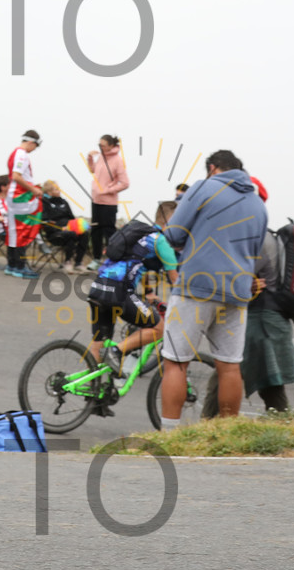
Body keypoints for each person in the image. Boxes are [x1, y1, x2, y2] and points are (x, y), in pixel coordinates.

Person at [157, 149, 268, 426]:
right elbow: (256, 252)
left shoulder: (204, 187)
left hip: (197, 286)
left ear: (212, 168)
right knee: (229, 366)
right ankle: (228, 432)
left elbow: (174, 233)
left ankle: (169, 434)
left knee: (176, 362)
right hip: (237, 291)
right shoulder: (258, 204)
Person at [203, 225, 294, 416]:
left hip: (261, 320)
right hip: (269, 318)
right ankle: (284, 422)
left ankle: (207, 422)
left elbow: (234, 279)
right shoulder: (265, 236)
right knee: (270, 381)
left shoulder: (258, 240)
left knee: (226, 369)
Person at [90, 204, 180, 387]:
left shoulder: (138, 235)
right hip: (119, 292)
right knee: (159, 328)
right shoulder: (161, 241)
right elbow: (175, 280)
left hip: (98, 287)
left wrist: (149, 293)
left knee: (99, 339)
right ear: (171, 221)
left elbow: (140, 265)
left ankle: (92, 387)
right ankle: (116, 352)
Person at [2, 129, 44, 279]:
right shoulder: (22, 155)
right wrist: (34, 189)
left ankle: (12, 264)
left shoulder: (15, 153)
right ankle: (20, 266)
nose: (34, 150)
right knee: (23, 231)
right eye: (35, 146)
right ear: (31, 142)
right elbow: (17, 176)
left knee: (13, 231)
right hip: (21, 196)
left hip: (14, 195)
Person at [83, 134, 129, 268]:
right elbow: (93, 170)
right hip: (96, 200)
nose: (100, 147)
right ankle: (96, 259)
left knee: (109, 233)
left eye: (103, 145)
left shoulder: (117, 160)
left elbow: (125, 183)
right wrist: (90, 158)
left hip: (109, 204)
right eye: (99, 145)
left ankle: (113, 260)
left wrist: (108, 190)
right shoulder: (101, 157)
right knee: (96, 231)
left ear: (111, 145)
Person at [39, 180, 87, 271]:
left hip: (69, 229)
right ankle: (67, 261)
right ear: (49, 192)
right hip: (55, 234)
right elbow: (45, 223)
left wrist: (79, 225)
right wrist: (60, 228)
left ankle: (78, 262)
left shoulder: (64, 202)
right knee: (70, 234)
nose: (59, 191)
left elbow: (72, 219)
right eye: (56, 189)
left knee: (84, 233)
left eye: (58, 189)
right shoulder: (44, 203)